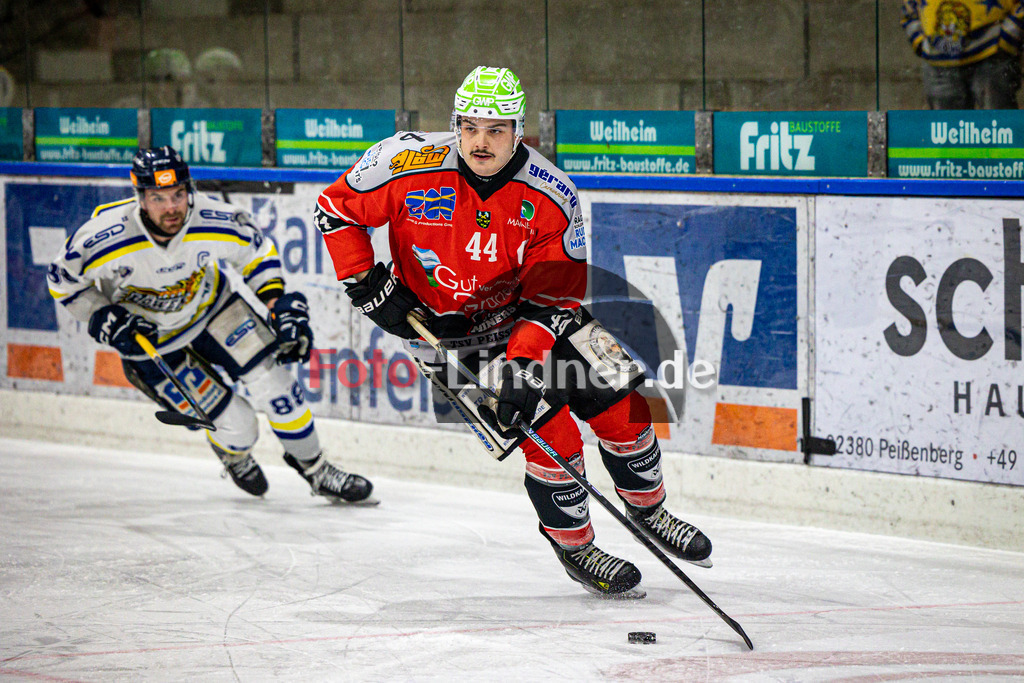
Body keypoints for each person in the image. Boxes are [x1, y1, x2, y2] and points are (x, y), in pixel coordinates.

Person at [314, 66, 710, 598]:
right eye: (470, 126)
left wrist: (525, 361)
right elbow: (334, 209)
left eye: (496, 129)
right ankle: (576, 547)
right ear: (454, 124)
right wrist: (365, 283)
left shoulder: (552, 193)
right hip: (449, 336)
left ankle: (650, 511)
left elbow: (557, 292)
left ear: (518, 131)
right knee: (553, 438)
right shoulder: (401, 162)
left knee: (624, 403)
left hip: (533, 316)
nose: (481, 141)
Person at [49, 146, 375, 504]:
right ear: (140, 196)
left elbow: (257, 251)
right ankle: (233, 452)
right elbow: (62, 281)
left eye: (178, 194)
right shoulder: (104, 236)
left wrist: (276, 302)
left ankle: (316, 470)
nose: (172, 207)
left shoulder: (214, 219)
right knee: (240, 428)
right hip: (150, 342)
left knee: (278, 386)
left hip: (215, 311)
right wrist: (102, 316)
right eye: (158, 198)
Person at [901, 0, 1024, 109]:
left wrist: (1010, 34)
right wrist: (919, 39)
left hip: (992, 51)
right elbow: (909, 7)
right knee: (945, 129)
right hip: (939, 59)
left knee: (999, 127)